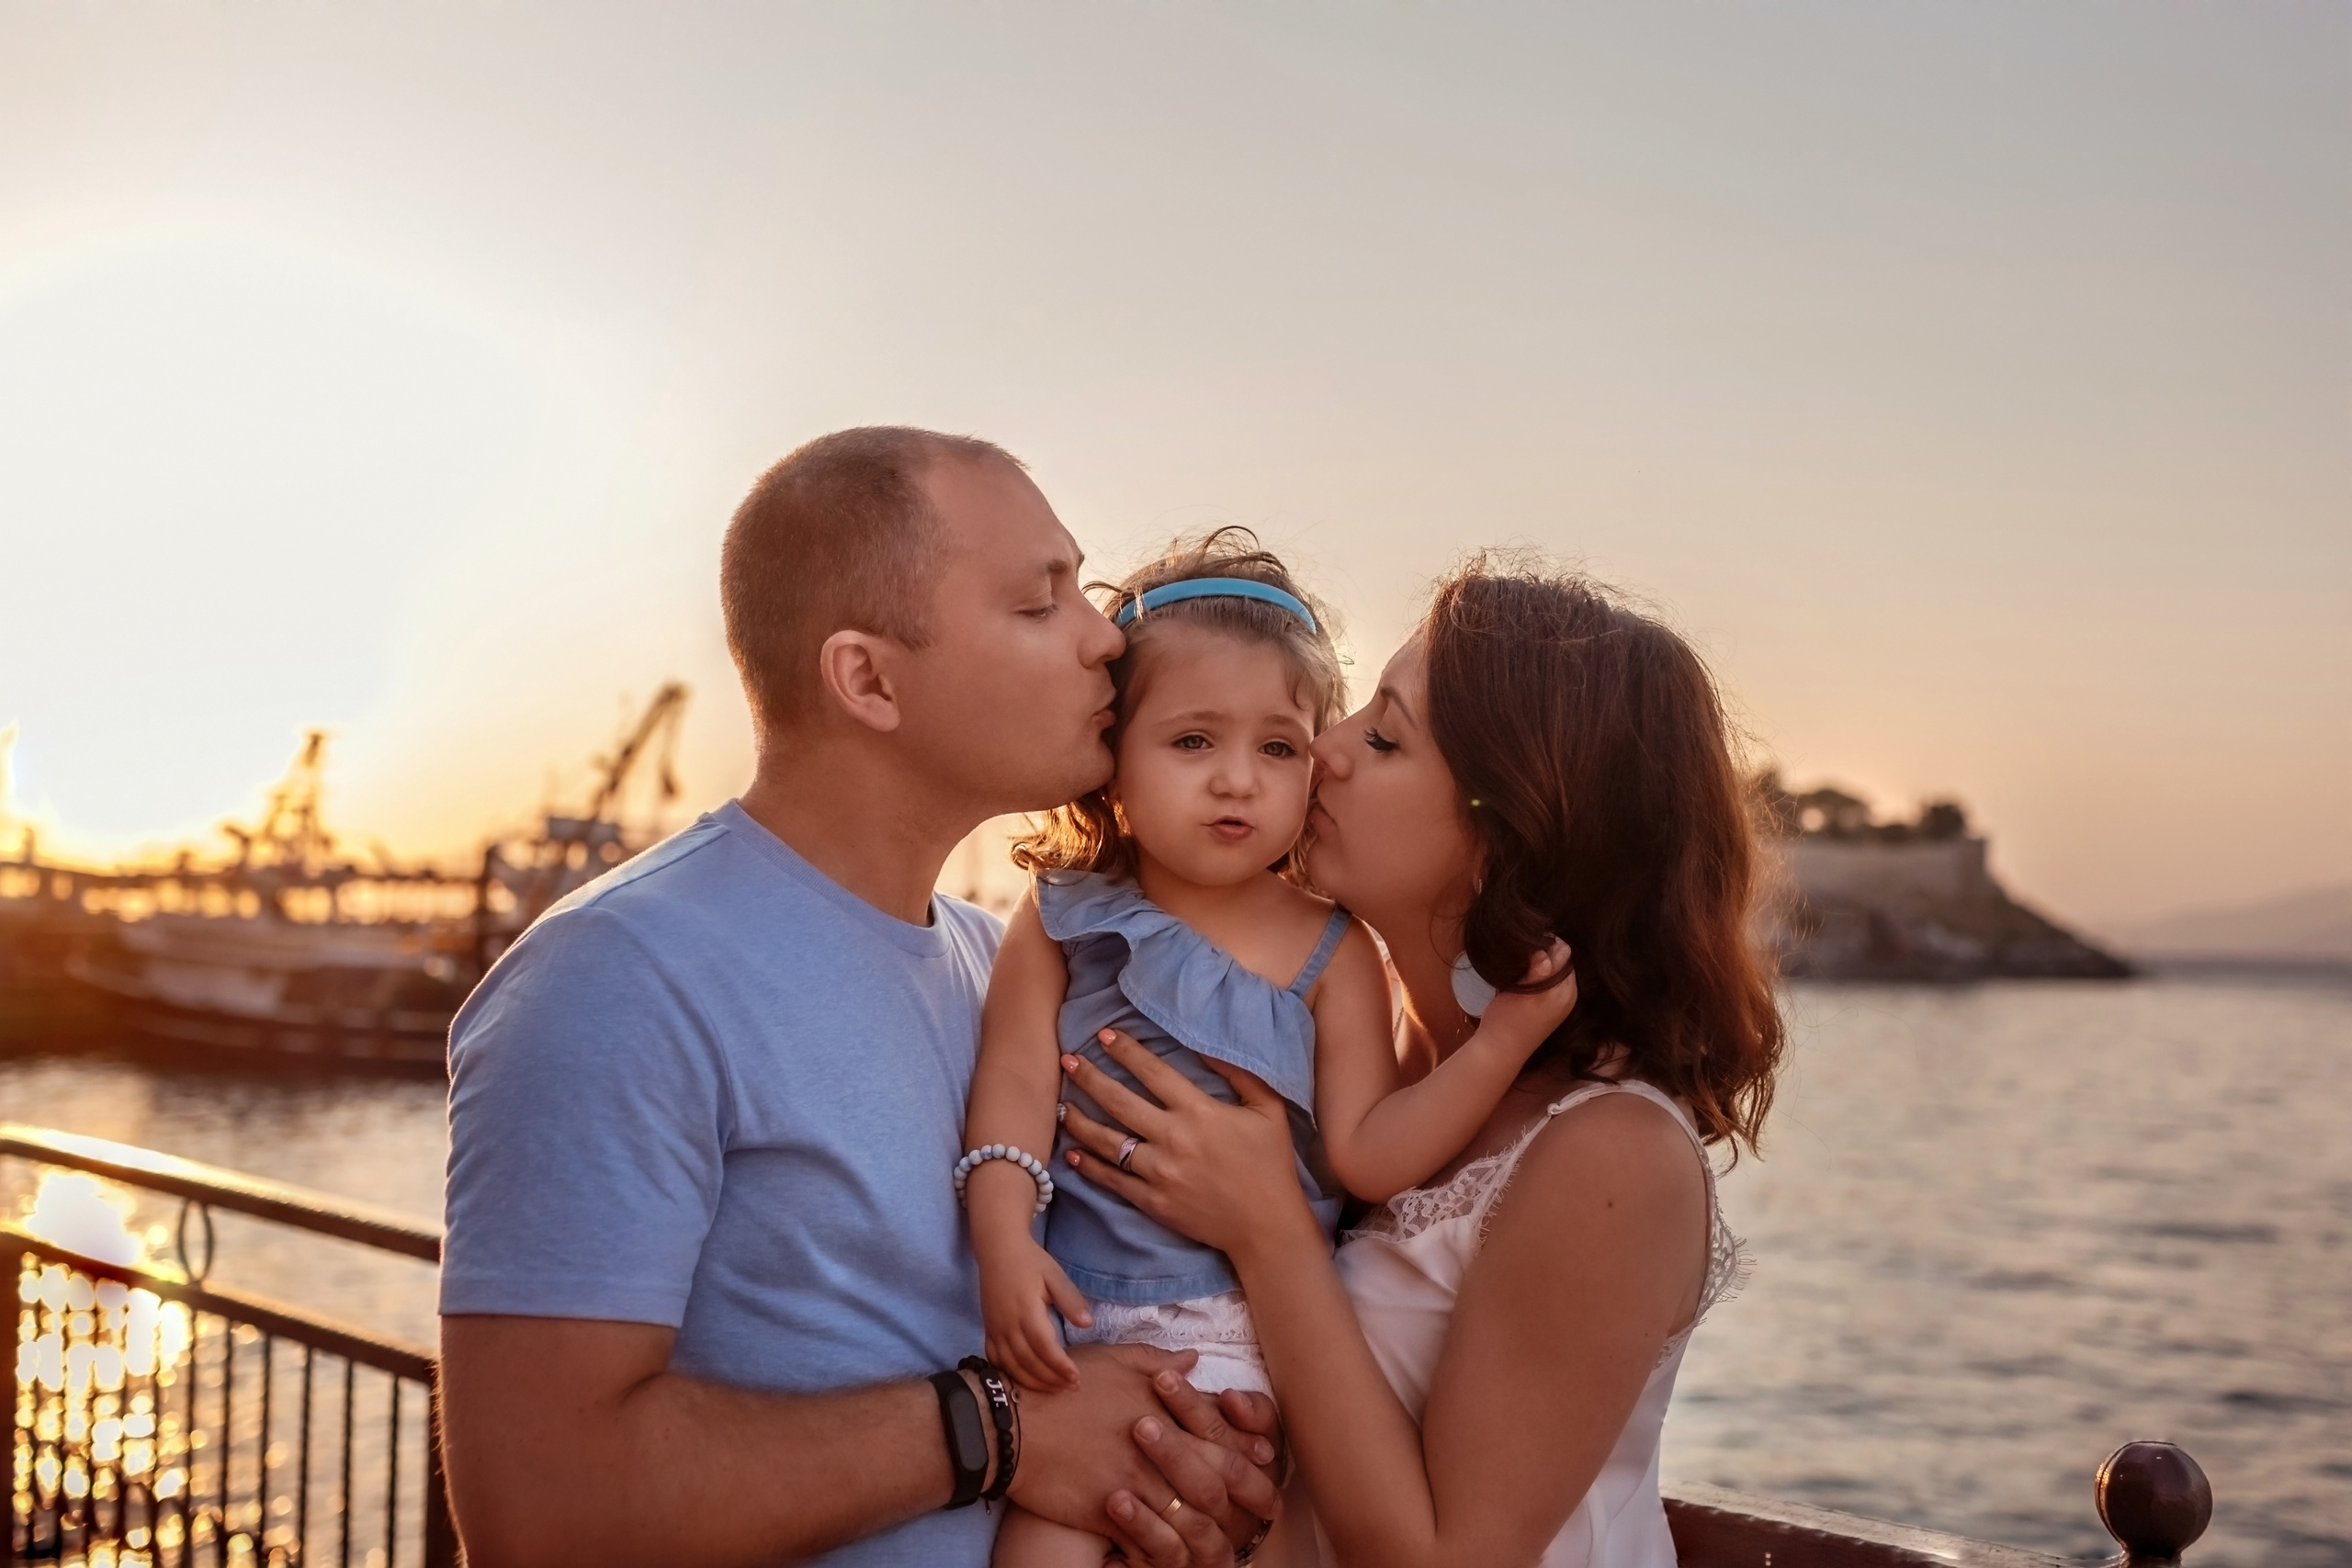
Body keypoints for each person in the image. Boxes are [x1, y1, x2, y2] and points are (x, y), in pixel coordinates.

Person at [436, 428, 1285, 1568]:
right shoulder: (617, 977)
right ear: (869, 681)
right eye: (1040, 605)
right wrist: (999, 1431)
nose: (1106, 639)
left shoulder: (1008, 965)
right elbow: (541, 1514)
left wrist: (1176, 1471)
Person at [1055, 558, 1786, 1568]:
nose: (1325, 746)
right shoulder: (1377, 1075)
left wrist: (1270, 1233)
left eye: (1385, 737)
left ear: (1507, 835)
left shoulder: (1610, 1154)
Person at [961, 534, 1578, 1568]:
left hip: (1240, 1347)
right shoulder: (1065, 914)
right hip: (1072, 1321)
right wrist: (1001, 1238)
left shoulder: (1337, 952)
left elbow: (1368, 1154)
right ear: (1115, 757)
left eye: (1280, 749)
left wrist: (1499, 1046)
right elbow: (1015, 1080)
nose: (1236, 781)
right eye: (1192, 741)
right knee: (1040, 1544)